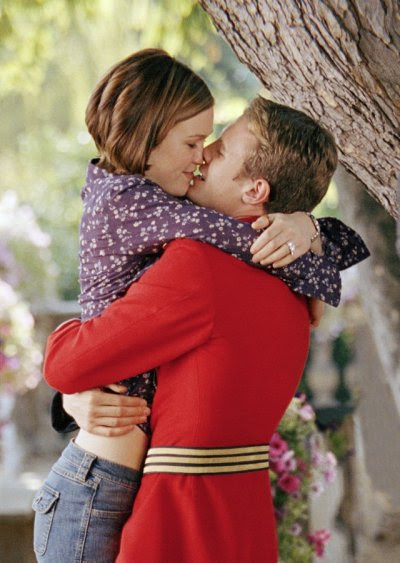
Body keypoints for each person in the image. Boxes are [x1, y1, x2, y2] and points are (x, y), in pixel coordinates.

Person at [41, 93, 369, 562]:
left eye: (219, 149)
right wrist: (309, 228)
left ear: (255, 190)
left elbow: (65, 364)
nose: (204, 155)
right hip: (244, 520)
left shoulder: (199, 267)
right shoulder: (303, 283)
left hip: (175, 522)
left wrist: (70, 358)